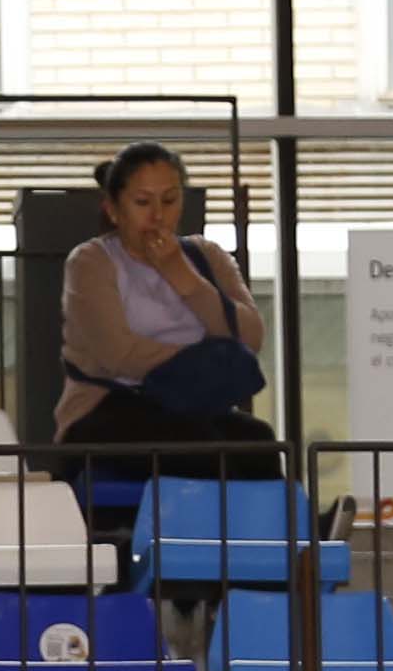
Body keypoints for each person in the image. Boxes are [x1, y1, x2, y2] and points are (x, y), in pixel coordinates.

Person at [48, 142, 280, 487]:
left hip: (192, 404)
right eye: (143, 203)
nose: (158, 215)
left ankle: (287, 533)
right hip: (108, 407)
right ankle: (225, 535)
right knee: (203, 447)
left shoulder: (206, 256)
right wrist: (201, 358)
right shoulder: (91, 262)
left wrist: (182, 277)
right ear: (113, 210)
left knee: (258, 441)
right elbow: (118, 353)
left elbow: (249, 337)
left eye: (169, 200)